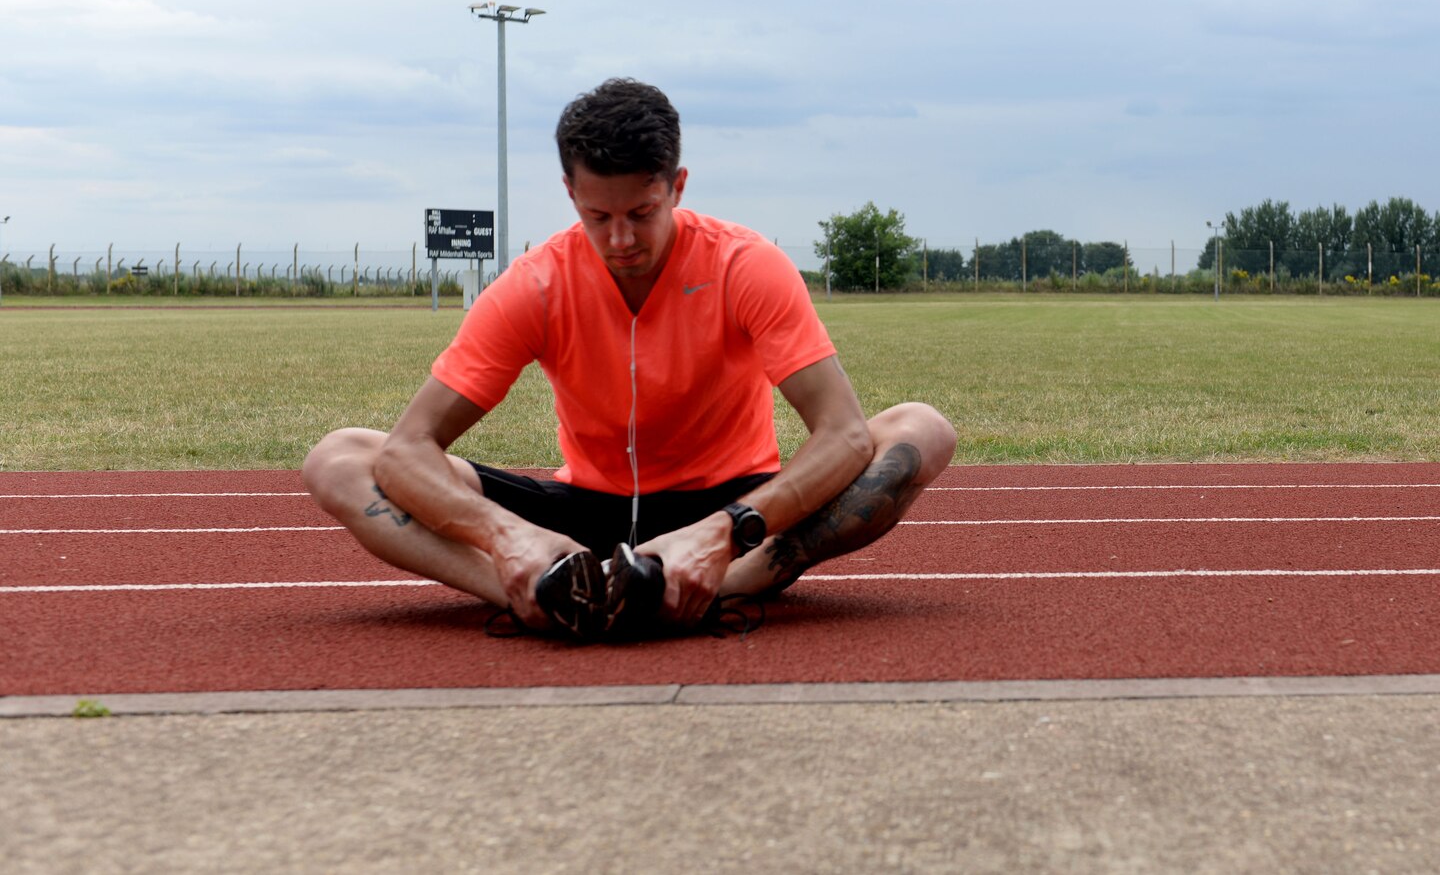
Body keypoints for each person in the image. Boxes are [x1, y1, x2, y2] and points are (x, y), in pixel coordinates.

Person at [301, 78, 956, 639]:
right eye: (597, 215)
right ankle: (538, 594)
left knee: (920, 430)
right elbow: (408, 448)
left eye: (642, 213)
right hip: (584, 513)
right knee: (340, 458)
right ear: (568, 193)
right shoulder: (537, 284)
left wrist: (723, 533)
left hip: (733, 510)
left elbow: (842, 432)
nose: (620, 239)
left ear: (678, 184)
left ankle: (721, 583)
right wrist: (508, 539)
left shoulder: (744, 265)